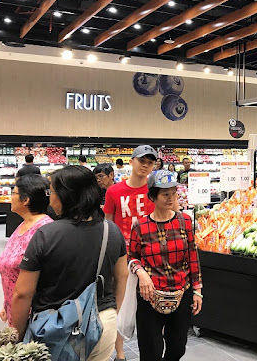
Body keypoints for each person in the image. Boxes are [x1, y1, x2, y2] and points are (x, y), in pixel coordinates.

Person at [10, 166, 128, 361]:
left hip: (55, 328)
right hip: (102, 322)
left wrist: (17, 337)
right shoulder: (112, 231)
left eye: (52, 192)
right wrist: (112, 312)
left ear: (66, 195)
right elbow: (122, 276)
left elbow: (23, 293)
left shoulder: (46, 235)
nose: (50, 199)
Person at [129, 170, 202, 361]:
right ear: (153, 197)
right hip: (150, 295)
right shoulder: (140, 226)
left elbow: (192, 255)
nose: (171, 198)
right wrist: (141, 273)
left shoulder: (184, 221)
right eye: (165, 194)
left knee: (177, 348)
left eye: (174, 193)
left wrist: (197, 290)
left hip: (181, 292)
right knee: (150, 351)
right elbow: (132, 257)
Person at [103, 145, 157, 361]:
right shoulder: (114, 191)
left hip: (151, 256)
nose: (145, 165)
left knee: (148, 305)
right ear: (131, 161)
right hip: (122, 257)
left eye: (150, 162)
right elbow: (107, 223)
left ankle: (149, 350)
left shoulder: (155, 191)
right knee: (120, 303)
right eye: (141, 160)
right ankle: (120, 352)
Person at [0, 175, 53, 326]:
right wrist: (7, 304)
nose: (11, 197)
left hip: (34, 319)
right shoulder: (23, 225)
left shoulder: (44, 230)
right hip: (17, 310)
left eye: (14, 193)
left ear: (26, 200)